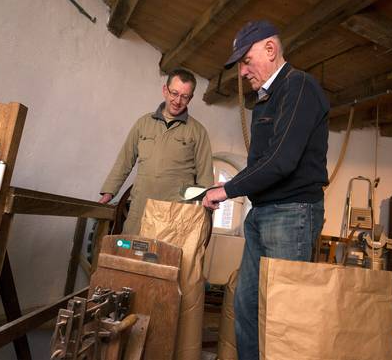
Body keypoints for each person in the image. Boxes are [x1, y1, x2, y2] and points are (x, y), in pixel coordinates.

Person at [202, 21, 329, 360]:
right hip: (263, 213)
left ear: (270, 50)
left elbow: (281, 161)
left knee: (282, 315)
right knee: (247, 305)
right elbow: (262, 163)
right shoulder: (264, 102)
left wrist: (228, 190)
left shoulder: (298, 87)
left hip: (292, 214)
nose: (242, 71)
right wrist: (228, 185)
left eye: (246, 60)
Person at [99, 68, 214, 234]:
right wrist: (109, 192)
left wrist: (205, 213)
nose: (177, 100)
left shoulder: (198, 131)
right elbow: (124, 161)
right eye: (174, 93)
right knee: (129, 254)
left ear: (191, 98)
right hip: (140, 207)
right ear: (165, 90)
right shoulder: (143, 123)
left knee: (164, 258)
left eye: (184, 96)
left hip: (174, 214)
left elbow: (205, 176)